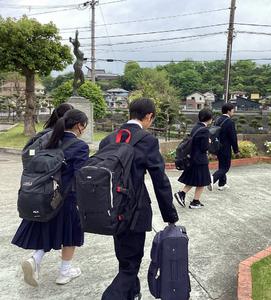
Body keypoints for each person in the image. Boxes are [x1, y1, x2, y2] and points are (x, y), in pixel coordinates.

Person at [101, 98, 179, 300]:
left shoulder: (109, 139)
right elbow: (159, 180)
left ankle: (133, 293)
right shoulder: (147, 140)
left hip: (111, 208)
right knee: (131, 263)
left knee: (124, 257)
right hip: (134, 209)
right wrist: (170, 215)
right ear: (148, 116)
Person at [12, 109, 89, 286]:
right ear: (79, 125)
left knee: (48, 228)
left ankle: (35, 259)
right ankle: (64, 272)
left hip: (45, 195)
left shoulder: (49, 140)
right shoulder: (80, 146)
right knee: (70, 234)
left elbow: (29, 156)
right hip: (67, 198)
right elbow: (80, 176)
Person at [174, 108, 213, 209]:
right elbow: (204, 147)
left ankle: (182, 194)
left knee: (193, 179)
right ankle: (195, 202)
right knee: (202, 181)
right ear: (209, 119)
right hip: (200, 160)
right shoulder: (205, 130)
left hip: (192, 158)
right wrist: (209, 142)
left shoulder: (196, 127)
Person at [210, 103, 239, 191]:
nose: (233, 111)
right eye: (233, 110)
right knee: (225, 167)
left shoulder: (217, 120)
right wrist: (236, 150)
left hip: (217, 146)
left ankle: (222, 184)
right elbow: (233, 137)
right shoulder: (230, 122)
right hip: (225, 147)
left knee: (222, 165)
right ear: (229, 111)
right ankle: (212, 178)